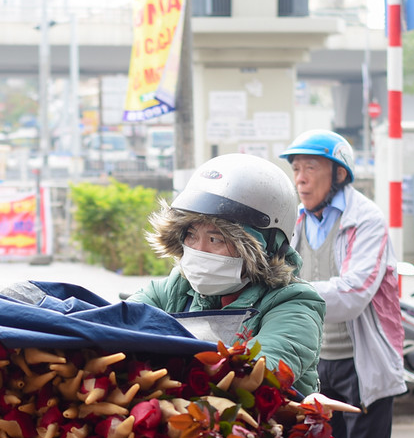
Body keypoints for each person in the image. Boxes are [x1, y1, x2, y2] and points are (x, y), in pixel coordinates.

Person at [278, 130, 405, 438]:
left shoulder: (364, 219)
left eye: (310, 167)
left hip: (363, 364)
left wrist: (290, 293)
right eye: (295, 167)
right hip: (316, 362)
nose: (300, 177)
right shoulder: (293, 220)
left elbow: (353, 294)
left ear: (338, 172)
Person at [128, 153, 326, 394]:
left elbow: (257, 372)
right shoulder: (170, 292)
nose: (198, 251)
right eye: (191, 235)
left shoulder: (295, 304)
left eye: (215, 239)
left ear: (263, 248)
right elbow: (119, 327)